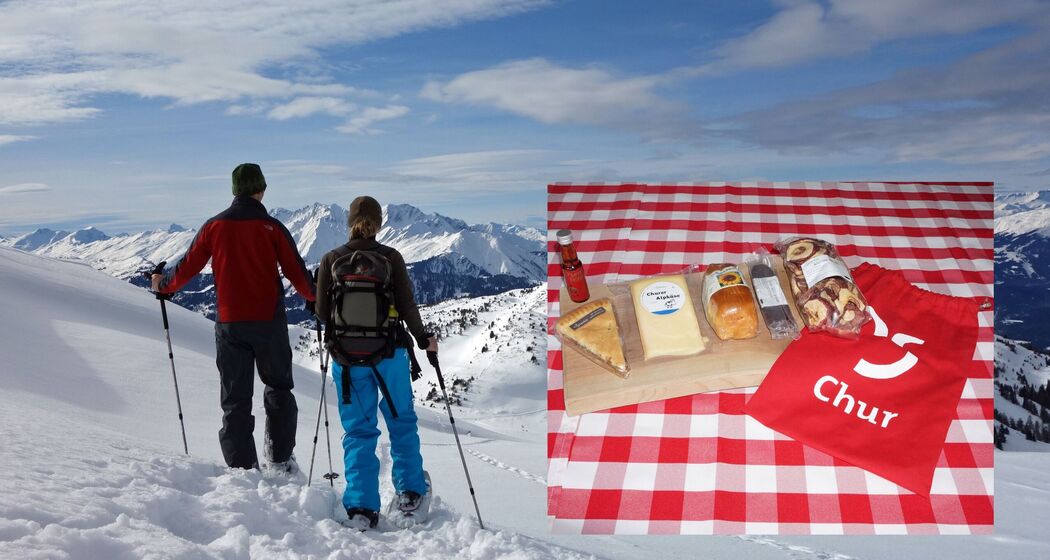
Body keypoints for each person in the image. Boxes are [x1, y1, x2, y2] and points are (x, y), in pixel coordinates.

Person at [151, 163, 315, 472]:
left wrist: (163, 285)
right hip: (269, 322)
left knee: (235, 398)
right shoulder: (273, 228)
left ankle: (242, 468)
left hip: (229, 323)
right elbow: (299, 275)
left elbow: (187, 267)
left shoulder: (214, 227)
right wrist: (315, 296)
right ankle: (280, 458)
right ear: (261, 190)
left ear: (234, 191)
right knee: (278, 387)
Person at [315, 195, 437, 530]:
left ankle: (360, 506)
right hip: (389, 354)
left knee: (358, 430)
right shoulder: (390, 257)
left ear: (350, 221)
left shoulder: (331, 259)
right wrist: (424, 338)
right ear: (378, 223)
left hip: (347, 360)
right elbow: (408, 305)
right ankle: (411, 492)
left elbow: (323, 313)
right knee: (401, 422)